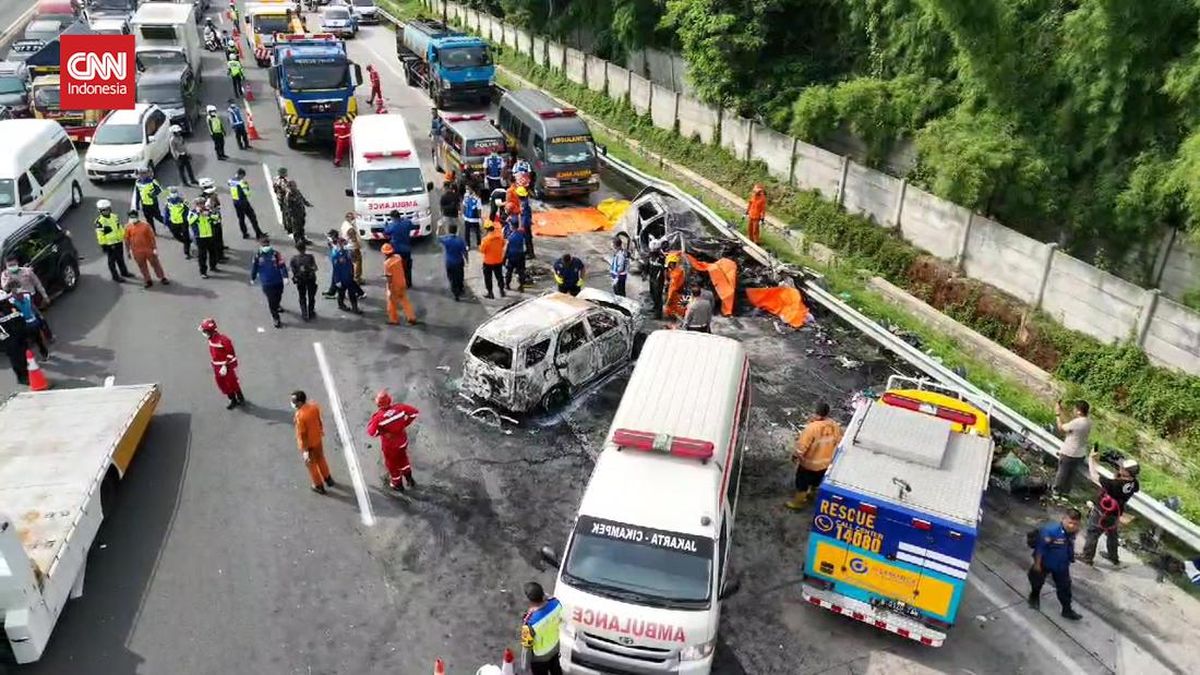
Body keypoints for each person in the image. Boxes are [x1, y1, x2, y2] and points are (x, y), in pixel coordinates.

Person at [1081, 452, 1140, 567]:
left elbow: (1094, 476)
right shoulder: (1134, 483)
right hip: (1116, 513)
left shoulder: (1114, 484)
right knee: (1112, 534)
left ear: (1127, 472)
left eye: (1123, 468)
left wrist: (1091, 460)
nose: (1120, 468)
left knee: (1093, 532)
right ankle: (1113, 557)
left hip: (1103, 512)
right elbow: (1126, 482)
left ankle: (1087, 557)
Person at [1028, 508, 1084, 621]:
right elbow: (1040, 548)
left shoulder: (1072, 532)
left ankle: (1067, 610)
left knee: (1065, 588)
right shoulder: (1051, 531)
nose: (1072, 526)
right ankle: (1034, 597)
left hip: (1061, 565)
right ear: (1063, 519)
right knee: (1037, 581)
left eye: (1075, 524)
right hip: (1045, 563)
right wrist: (1037, 565)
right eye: (1070, 522)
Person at [786, 402, 844, 509]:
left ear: (816, 413)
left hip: (809, 464)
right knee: (816, 482)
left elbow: (802, 446)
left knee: (802, 484)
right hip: (825, 464)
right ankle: (812, 495)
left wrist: (795, 456)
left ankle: (798, 503)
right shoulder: (834, 425)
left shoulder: (811, 428)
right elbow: (839, 441)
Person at [367, 390, 419, 493]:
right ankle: (409, 480)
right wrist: (404, 424)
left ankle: (397, 485)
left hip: (390, 447)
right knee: (403, 458)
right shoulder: (400, 408)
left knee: (392, 465)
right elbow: (414, 413)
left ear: (378, 404)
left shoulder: (378, 417)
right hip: (402, 441)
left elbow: (372, 432)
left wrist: (383, 433)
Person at [292, 390, 335, 494]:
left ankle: (318, 485)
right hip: (317, 439)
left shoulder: (300, 416)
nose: (293, 403)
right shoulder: (314, 407)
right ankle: (328, 478)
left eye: (294, 401)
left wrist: (305, 450)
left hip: (308, 444)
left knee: (311, 465)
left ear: (300, 402)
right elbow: (319, 421)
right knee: (321, 458)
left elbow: (302, 434)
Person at [200, 318, 244, 409]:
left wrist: (225, 366)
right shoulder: (211, 339)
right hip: (216, 366)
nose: (204, 333)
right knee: (222, 384)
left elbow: (231, 354)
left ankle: (240, 397)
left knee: (232, 383)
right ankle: (233, 399)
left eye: (205, 331)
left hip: (226, 366)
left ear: (210, 331)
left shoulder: (224, 340)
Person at [520, 582, 564, 675]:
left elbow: (527, 647)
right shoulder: (556, 604)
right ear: (543, 594)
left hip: (540, 658)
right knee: (556, 670)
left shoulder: (530, 622)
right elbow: (550, 598)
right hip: (554, 647)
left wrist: (525, 666)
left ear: (530, 600)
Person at [1052, 400, 1092, 497]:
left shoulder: (1077, 423)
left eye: (1075, 409)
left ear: (1079, 411)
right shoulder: (1088, 422)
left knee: (1062, 473)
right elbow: (1071, 423)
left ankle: (1056, 492)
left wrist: (1057, 414)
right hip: (1080, 453)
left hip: (1069, 452)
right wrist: (1062, 412)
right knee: (1071, 475)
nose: (1073, 410)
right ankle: (1066, 493)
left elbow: (1061, 428)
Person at [124, 209, 169, 288]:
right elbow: (126, 240)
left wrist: (154, 248)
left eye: (134, 216)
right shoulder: (128, 227)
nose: (132, 218)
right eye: (131, 217)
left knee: (155, 264)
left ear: (137, 216)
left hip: (148, 249)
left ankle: (162, 277)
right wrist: (128, 251)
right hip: (137, 251)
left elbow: (152, 238)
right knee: (142, 266)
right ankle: (148, 280)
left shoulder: (145, 225)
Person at [250, 237, 288, 328]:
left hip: (278, 280)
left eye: (266, 244)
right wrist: (253, 277)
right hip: (267, 282)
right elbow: (254, 267)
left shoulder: (275, 254)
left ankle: (277, 305)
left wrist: (285, 276)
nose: (265, 246)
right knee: (271, 300)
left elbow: (282, 265)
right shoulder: (258, 256)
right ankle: (276, 318)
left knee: (278, 295)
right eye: (264, 244)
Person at [5, 282, 47, 360]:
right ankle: (29, 358)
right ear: (11, 290)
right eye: (15, 288)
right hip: (22, 325)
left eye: (18, 286)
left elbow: (32, 306)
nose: (18, 289)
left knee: (39, 340)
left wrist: (40, 315)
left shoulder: (27, 294)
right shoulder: (9, 300)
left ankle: (44, 354)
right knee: (26, 343)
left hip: (33, 322)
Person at [95, 200, 133, 282]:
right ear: (100, 211)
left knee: (120, 258)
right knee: (112, 262)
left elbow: (119, 227)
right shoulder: (99, 222)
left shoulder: (114, 217)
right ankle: (115, 276)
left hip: (118, 241)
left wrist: (124, 236)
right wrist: (104, 245)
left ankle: (124, 272)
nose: (106, 211)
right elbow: (100, 235)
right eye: (104, 210)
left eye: (107, 209)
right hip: (109, 244)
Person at [381, 244, 417, 326]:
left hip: (394, 286)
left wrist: (389, 290)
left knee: (391, 302)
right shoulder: (398, 257)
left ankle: (393, 319)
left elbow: (389, 278)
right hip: (402, 282)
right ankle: (411, 317)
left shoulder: (387, 263)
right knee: (404, 300)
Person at [328, 232, 363, 313]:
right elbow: (336, 269)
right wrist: (337, 281)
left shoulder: (347, 253)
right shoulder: (335, 255)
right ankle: (341, 305)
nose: (343, 246)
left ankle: (355, 308)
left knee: (352, 294)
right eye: (342, 244)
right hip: (342, 279)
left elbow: (352, 261)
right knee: (341, 293)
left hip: (349, 277)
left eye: (344, 244)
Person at [0, 293, 30, 385]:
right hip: (9, 342)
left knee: (24, 357)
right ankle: (22, 377)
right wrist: (5, 344)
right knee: (16, 361)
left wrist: (24, 332)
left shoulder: (12, 307)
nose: (5, 302)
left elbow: (20, 317)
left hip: (20, 337)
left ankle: (27, 373)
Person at [383, 210, 417, 288]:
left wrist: (385, 224)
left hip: (395, 250)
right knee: (407, 267)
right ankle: (408, 283)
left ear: (392, 218)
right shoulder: (407, 223)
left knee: (396, 268)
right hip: (406, 249)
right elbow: (412, 226)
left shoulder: (391, 226)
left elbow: (386, 232)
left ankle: (398, 283)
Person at [189, 199, 221, 278]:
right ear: (196, 205)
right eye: (199, 204)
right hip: (200, 237)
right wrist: (198, 214)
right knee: (202, 255)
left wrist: (209, 214)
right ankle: (203, 272)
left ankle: (213, 266)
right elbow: (190, 221)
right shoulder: (192, 212)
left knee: (213, 252)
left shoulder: (208, 211)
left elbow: (217, 218)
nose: (201, 205)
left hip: (210, 235)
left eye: (202, 203)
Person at [229, 168, 264, 239]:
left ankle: (244, 234)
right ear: (241, 175)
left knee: (241, 219)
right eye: (243, 176)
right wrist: (246, 187)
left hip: (235, 202)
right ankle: (258, 233)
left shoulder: (231, 181)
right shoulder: (242, 182)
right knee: (252, 217)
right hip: (243, 202)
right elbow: (247, 193)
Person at [289, 242, 319, 321]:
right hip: (310, 279)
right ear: (305, 248)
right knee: (311, 297)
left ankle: (304, 313)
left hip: (300, 280)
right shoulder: (310, 257)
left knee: (302, 297)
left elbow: (293, 271)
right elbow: (315, 268)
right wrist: (309, 269)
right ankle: (311, 312)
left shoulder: (294, 259)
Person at [200, 177, 229, 260]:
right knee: (215, 238)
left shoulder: (213, 195)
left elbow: (218, 204)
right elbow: (204, 211)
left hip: (216, 218)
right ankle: (219, 256)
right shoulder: (203, 199)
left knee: (219, 235)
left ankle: (221, 248)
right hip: (211, 221)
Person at [439, 223, 468, 301]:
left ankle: (456, 293)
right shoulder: (460, 241)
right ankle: (461, 289)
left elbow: (438, 238)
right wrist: (467, 259)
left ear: (449, 231)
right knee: (460, 276)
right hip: (459, 262)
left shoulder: (447, 240)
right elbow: (465, 251)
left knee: (452, 278)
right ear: (456, 231)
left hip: (450, 262)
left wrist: (439, 227)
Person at [162, 187, 193, 257]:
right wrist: (165, 221)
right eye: (172, 193)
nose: (173, 194)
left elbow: (188, 210)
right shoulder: (168, 202)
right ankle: (187, 242)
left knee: (186, 236)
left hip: (183, 222)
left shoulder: (183, 201)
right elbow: (166, 212)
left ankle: (187, 252)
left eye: (175, 193)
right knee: (176, 235)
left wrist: (187, 218)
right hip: (174, 222)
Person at [479, 221, 506, 299]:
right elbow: (503, 244)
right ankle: (502, 290)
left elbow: (482, 250)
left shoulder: (486, 240)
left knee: (488, 278)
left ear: (486, 229)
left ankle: (490, 293)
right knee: (499, 276)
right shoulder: (500, 236)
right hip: (498, 260)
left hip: (488, 262)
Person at [284, 179, 313, 246]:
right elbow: (288, 208)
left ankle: (303, 239)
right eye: (294, 185)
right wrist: (291, 216)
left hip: (301, 213)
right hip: (295, 215)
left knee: (301, 228)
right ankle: (298, 242)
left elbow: (302, 198)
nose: (296, 186)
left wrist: (307, 204)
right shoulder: (288, 196)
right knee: (296, 229)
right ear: (290, 187)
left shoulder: (297, 192)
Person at [134, 168, 163, 232]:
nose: (142, 175)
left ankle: (170, 225)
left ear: (147, 174)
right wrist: (137, 204)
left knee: (158, 217)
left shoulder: (153, 181)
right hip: (144, 204)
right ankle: (153, 232)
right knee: (149, 219)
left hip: (153, 203)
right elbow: (138, 194)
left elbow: (160, 190)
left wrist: (153, 194)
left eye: (144, 173)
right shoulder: (137, 183)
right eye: (140, 174)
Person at [339, 212, 365, 284]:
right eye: (352, 218)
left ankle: (351, 276)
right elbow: (354, 239)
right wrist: (359, 245)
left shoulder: (344, 224)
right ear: (349, 218)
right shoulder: (350, 228)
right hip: (353, 247)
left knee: (351, 263)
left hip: (347, 247)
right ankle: (357, 278)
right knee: (357, 262)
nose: (353, 219)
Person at [504, 221, 527, 292]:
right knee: (521, 272)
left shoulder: (510, 237)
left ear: (512, 227)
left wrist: (504, 258)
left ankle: (507, 285)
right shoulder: (521, 235)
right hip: (520, 255)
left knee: (509, 271)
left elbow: (506, 248)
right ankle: (521, 286)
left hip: (512, 256)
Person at [646, 240, 665, 320]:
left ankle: (658, 314)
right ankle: (654, 307)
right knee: (652, 293)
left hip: (658, 280)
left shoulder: (661, 258)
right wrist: (645, 273)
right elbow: (648, 264)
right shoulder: (651, 256)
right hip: (652, 278)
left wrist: (657, 280)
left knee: (658, 296)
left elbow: (663, 271)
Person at [664, 253, 686, 319]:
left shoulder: (676, 274)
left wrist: (668, 300)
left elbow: (673, 289)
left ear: (671, 263)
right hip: (678, 293)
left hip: (675, 294)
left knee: (675, 309)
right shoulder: (678, 270)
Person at [518, 187, 536, 258]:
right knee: (527, 239)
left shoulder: (524, 204)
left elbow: (525, 215)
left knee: (528, 239)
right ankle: (528, 251)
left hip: (526, 224)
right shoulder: (524, 201)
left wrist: (522, 226)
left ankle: (531, 254)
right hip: (527, 222)